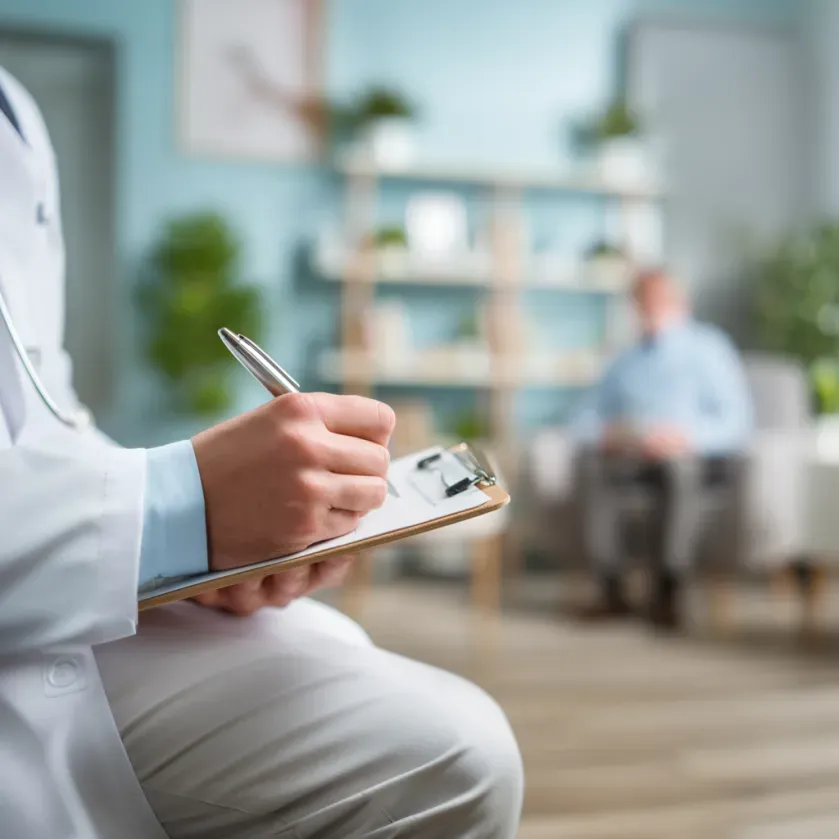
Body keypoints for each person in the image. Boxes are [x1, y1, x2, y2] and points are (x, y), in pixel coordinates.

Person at [0, 67, 523, 839]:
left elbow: (48, 417)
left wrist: (192, 562)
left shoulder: (17, 114)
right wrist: (180, 506)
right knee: (453, 750)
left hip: (51, 595)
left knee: (347, 654)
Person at [570, 268, 752, 629]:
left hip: (691, 459)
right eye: (641, 301)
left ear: (679, 302)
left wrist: (684, 437)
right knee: (590, 464)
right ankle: (611, 589)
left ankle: (668, 590)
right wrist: (607, 435)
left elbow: (736, 421)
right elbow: (582, 417)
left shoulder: (709, 348)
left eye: (657, 300)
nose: (649, 308)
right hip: (632, 456)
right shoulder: (625, 361)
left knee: (677, 468)